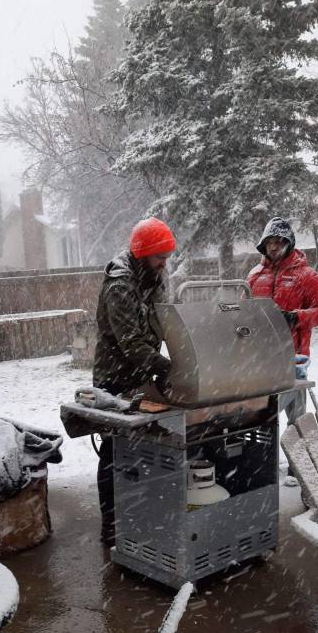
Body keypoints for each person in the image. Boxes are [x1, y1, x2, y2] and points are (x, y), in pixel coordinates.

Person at [93, 216, 177, 544]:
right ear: (143, 254)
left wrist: (187, 352)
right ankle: (111, 525)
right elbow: (130, 343)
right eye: (160, 257)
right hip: (114, 378)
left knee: (146, 446)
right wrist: (168, 367)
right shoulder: (120, 283)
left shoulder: (153, 277)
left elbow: (166, 320)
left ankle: (140, 515)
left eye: (167, 257)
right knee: (114, 451)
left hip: (142, 375)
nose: (164, 264)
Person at [248, 216, 318, 433]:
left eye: (279, 241)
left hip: (293, 359)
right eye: (270, 242)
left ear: (289, 243)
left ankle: (298, 465)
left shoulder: (306, 275)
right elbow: (244, 310)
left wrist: (295, 317)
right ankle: (267, 464)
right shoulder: (255, 276)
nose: (274, 247)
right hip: (260, 359)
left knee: (298, 422)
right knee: (261, 419)